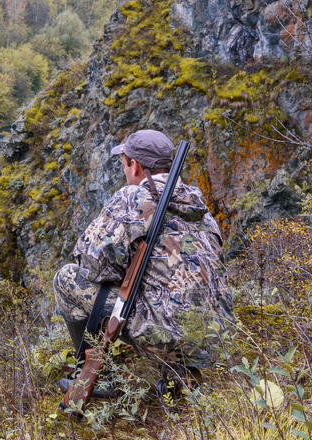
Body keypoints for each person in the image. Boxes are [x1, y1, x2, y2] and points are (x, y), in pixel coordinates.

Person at [53, 129, 232, 380]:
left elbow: (90, 264)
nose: (125, 171)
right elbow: (181, 264)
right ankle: (180, 374)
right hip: (215, 338)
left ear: (135, 166)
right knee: (169, 290)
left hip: (167, 336)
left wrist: (117, 272)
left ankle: (98, 377)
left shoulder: (134, 196)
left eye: (124, 164)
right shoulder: (197, 204)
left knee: (66, 278)